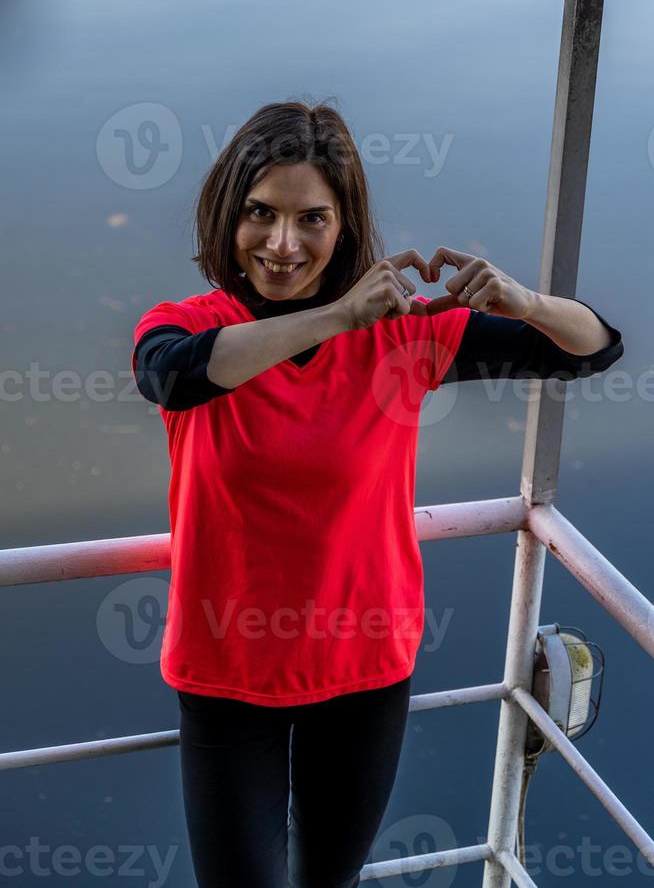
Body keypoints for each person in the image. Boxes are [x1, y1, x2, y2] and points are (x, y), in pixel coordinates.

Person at [131, 100, 624, 887]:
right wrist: (334, 316)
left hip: (363, 668)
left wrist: (522, 302)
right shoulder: (189, 327)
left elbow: (591, 350)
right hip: (227, 667)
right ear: (229, 216)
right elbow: (173, 379)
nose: (283, 243)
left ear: (345, 223)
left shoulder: (401, 338)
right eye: (261, 213)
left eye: (311, 219)